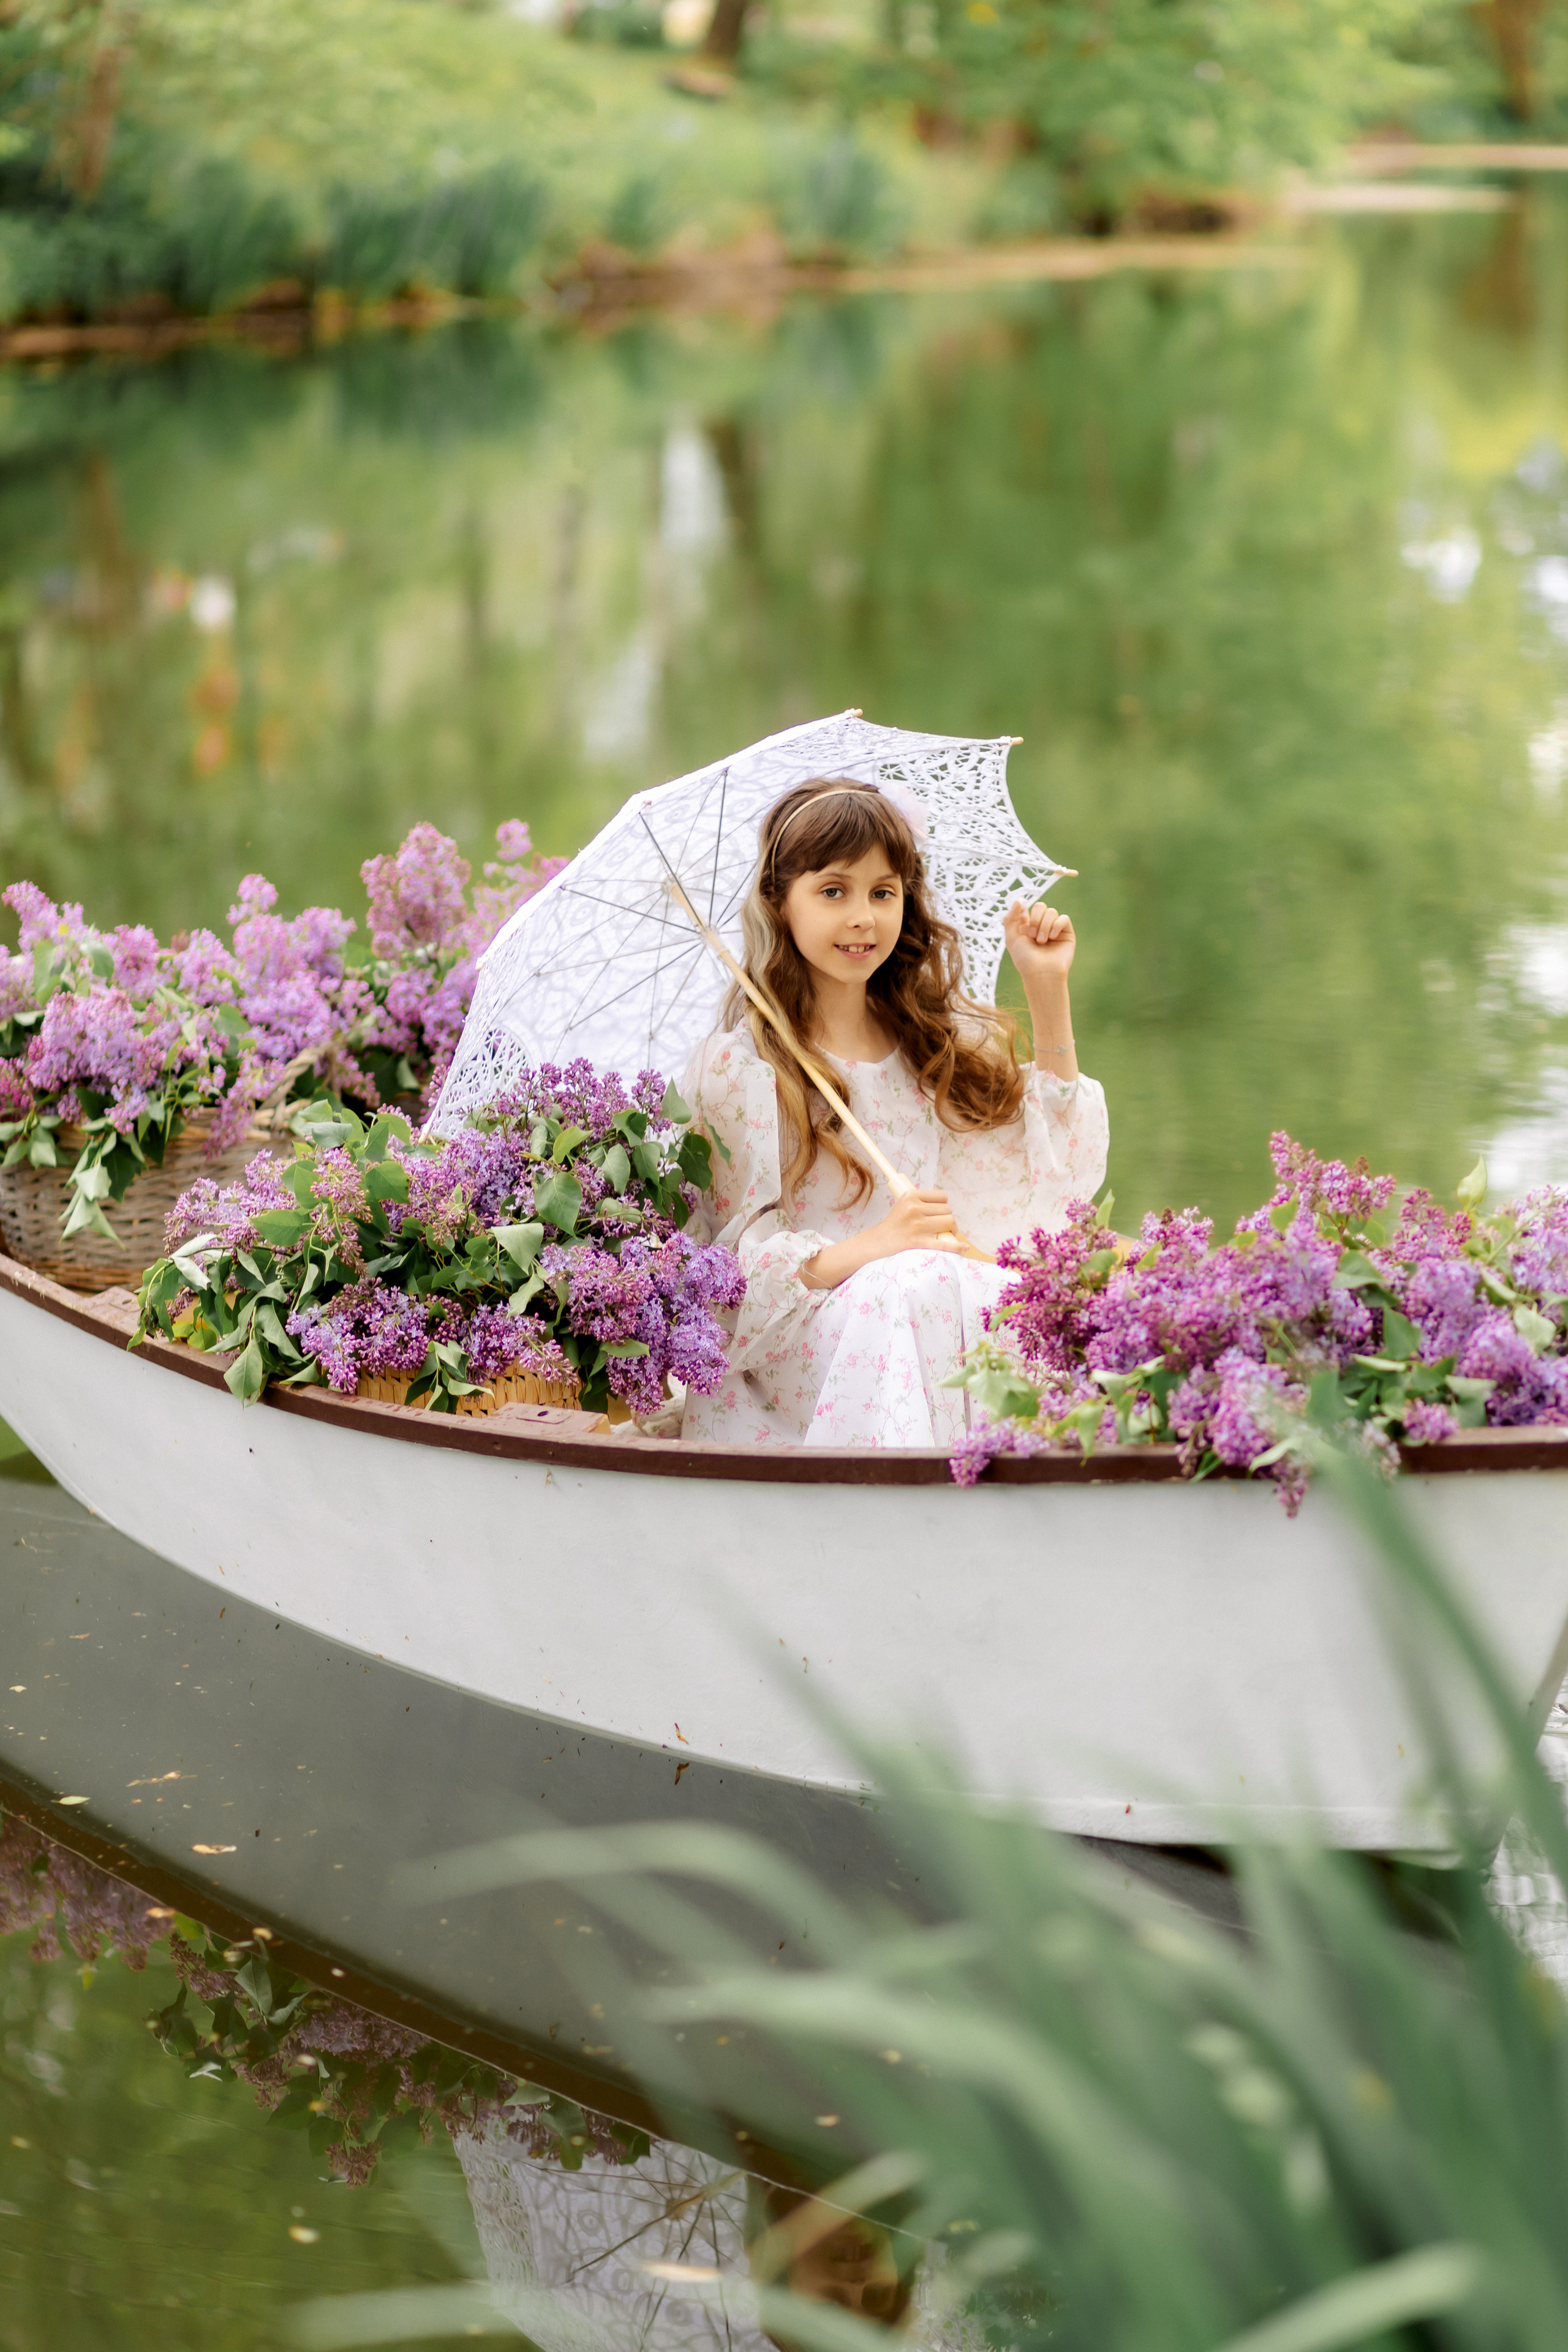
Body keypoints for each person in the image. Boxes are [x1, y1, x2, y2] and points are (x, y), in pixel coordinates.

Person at [680, 777, 1108, 1447]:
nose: (864, 918)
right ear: (778, 902)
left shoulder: (931, 1044)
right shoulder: (744, 1070)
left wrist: (1046, 988)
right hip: (810, 1344)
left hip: (927, 1301)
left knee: (1019, 1289)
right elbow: (737, 1277)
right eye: (833, 891)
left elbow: (1053, 1176)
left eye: (883, 892)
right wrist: (877, 1246)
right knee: (914, 1279)